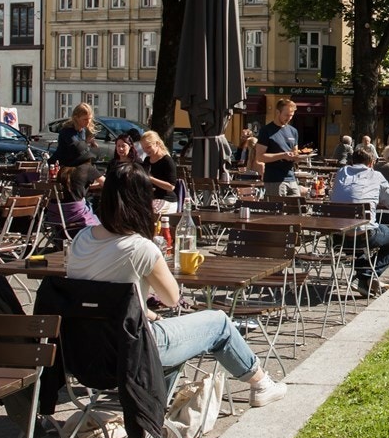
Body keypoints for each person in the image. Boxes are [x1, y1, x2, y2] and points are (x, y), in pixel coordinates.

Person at [64, 162, 286, 405]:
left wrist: (147, 313)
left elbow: (101, 298)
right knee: (219, 322)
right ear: (142, 199)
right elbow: (171, 299)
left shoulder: (81, 239)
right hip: (133, 351)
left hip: (84, 351)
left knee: (166, 329)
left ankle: (151, 411)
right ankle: (261, 383)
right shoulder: (140, 248)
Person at [329, 149, 389, 292]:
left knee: (362, 243)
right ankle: (364, 275)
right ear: (371, 163)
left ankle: (363, 282)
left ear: (352, 161)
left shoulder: (341, 173)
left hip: (338, 237)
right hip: (364, 235)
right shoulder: (375, 175)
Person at [255, 97, 305, 197]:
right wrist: (282, 155)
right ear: (278, 112)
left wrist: (299, 157)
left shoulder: (293, 131)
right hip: (274, 179)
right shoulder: (266, 130)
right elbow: (260, 157)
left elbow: (295, 153)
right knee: (278, 211)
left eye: (291, 116)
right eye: (286, 115)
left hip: (291, 177)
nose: (289, 118)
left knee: (297, 209)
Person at [54, 103, 100, 198]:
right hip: (66, 168)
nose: (88, 122)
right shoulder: (67, 131)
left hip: (77, 168)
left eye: (89, 119)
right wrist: (87, 146)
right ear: (76, 118)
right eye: (85, 119)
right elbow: (77, 149)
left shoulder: (82, 130)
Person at [139, 131, 178, 202]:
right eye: (143, 148)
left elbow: (171, 187)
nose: (145, 151)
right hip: (151, 197)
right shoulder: (147, 160)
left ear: (157, 144)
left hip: (166, 199)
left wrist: (151, 179)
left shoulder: (167, 160)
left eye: (148, 147)